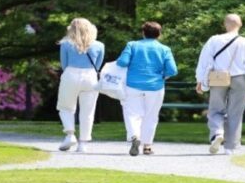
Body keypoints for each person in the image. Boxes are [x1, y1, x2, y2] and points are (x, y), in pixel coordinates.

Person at [196, 14, 245, 155]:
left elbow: (204, 61)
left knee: (215, 109)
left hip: (218, 78)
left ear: (225, 24)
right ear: (240, 24)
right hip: (239, 78)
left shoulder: (214, 40)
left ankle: (217, 133)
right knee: (236, 113)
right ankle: (231, 148)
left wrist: (200, 80)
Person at [116, 21, 178, 156]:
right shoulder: (164, 49)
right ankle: (147, 146)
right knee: (151, 116)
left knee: (132, 113)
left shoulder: (132, 45)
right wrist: (162, 76)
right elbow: (172, 70)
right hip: (155, 86)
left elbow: (122, 62)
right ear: (159, 34)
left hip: (132, 85)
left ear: (143, 33)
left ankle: (135, 137)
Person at [57, 18, 104, 153]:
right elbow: (98, 65)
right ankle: (83, 143)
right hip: (90, 76)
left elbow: (64, 64)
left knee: (66, 107)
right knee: (88, 111)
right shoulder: (99, 45)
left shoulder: (66, 44)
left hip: (71, 73)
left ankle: (70, 134)